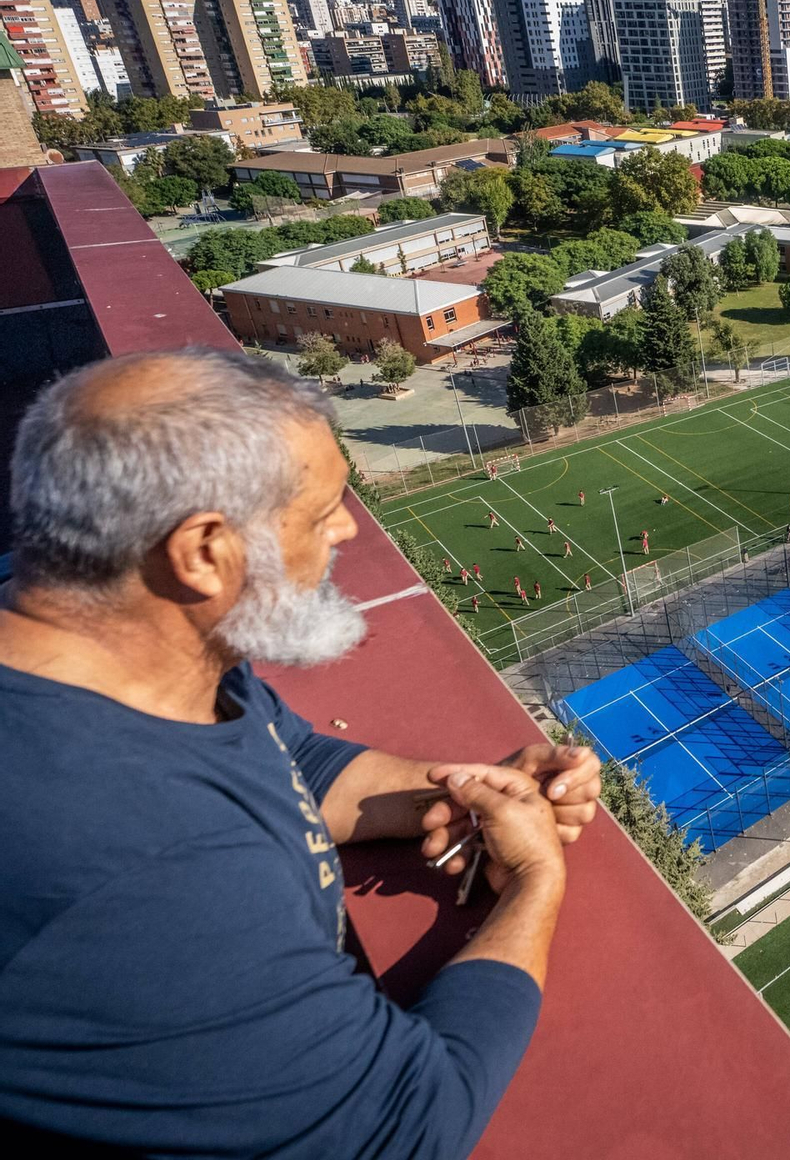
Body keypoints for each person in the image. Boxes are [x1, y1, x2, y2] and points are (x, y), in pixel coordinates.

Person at [0, 348, 602, 1158]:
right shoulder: (141, 865)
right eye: (322, 512)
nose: (351, 527)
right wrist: (534, 883)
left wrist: (466, 789)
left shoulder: (132, 658)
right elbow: (408, 1124)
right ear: (204, 552)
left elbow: (295, 762)